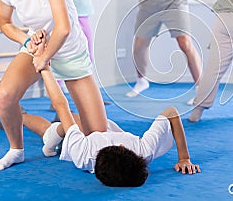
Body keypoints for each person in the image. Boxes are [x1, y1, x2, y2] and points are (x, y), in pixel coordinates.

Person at [0, 0, 108, 171]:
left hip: (69, 52)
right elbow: (5, 23)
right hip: (40, 47)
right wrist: (28, 42)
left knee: (96, 133)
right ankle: (16, 150)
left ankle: (53, 130)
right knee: (5, 95)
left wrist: (44, 58)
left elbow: (64, 28)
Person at [33, 64, 201, 187]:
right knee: (73, 121)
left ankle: (21, 116)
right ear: (131, 152)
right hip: (98, 127)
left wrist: (45, 68)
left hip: (76, 136)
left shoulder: (82, 154)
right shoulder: (144, 150)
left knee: (49, 132)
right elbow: (171, 112)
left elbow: (61, 105)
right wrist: (184, 158)